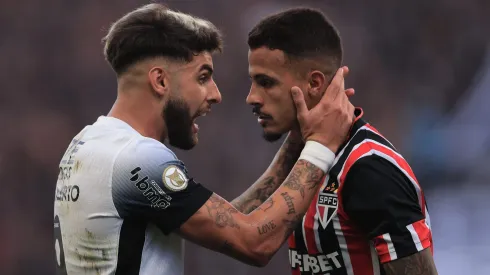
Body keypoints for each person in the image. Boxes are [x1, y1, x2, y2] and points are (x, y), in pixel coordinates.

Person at [53, 4, 355, 275]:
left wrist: (296, 142)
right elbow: (253, 242)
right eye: (202, 77)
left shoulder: (87, 144)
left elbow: (230, 221)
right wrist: (320, 145)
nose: (216, 94)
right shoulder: (138, 158)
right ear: (160, 81)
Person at [232, 8, 438, 275]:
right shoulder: (303, 162)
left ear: (315, 83)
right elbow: (236, 227)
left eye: (266, 82)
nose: (252, 97)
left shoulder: (369, 168)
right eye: (252, 82)